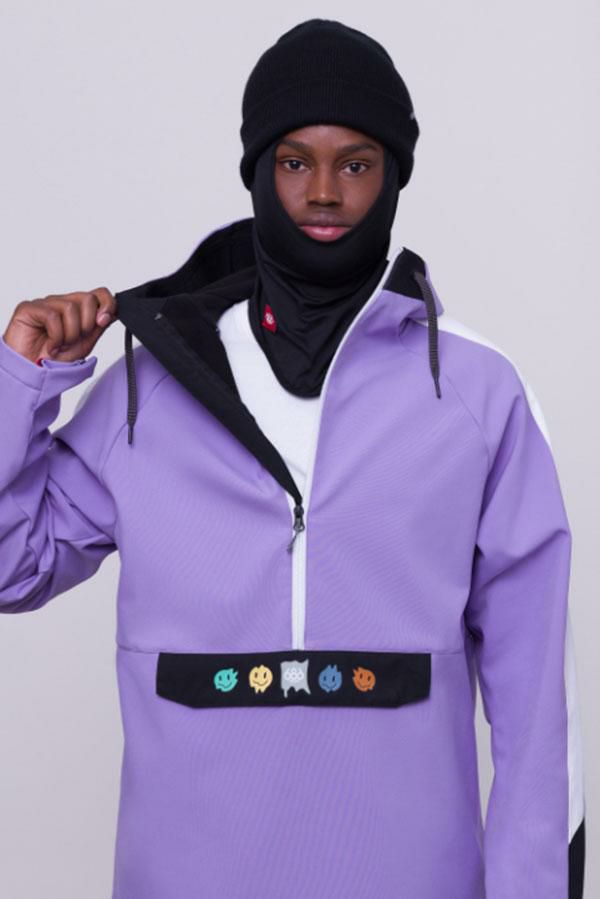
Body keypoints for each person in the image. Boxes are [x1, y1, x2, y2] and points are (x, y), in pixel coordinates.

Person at [0, 17, 586, 899]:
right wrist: (20, 380)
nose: (322, 191)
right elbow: (11, 567)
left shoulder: (477, 395)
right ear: (257, 171)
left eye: (356, 163)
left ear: (394, 175)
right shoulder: (149, 388)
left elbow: (540, 718)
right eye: (293, 160)